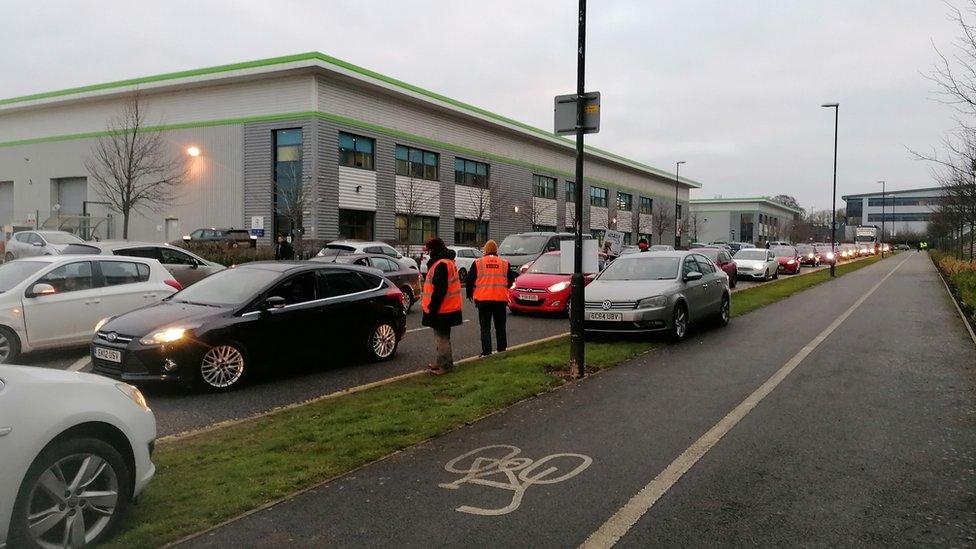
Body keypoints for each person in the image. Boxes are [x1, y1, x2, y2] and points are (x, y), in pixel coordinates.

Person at [422, 237, 463, 375]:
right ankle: (441, 362)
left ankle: (445, 366)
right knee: (441, 336)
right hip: (448, 307)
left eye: (429, 251)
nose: (428, 254)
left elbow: (440, 290)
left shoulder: (441, 265)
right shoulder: (446, 262)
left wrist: (432, 307)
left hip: (442, 308)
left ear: (434, 250)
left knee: (442, 337)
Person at [466, 239, 512, 357]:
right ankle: (502, 350)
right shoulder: (504, 263)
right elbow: (510, 281)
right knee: (500, 327)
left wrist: (470, 294)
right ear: (496, 250)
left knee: (485, 328)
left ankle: (486, 352)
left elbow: (469, 280)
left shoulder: (478, 263)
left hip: (483, 301)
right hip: (500, 301)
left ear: (485, 250)